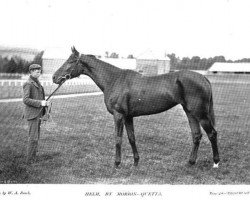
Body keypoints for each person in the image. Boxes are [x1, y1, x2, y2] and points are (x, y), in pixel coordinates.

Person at [22, 64, 50, 164]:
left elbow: (40, 98)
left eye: (39, 70)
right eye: (36, 71)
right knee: (33, 137)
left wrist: (45, 104)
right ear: (31, 72)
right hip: (32, 114)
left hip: (38, 113)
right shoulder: (28, 83)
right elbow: (25, 100)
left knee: (35, 137)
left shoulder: (37, 83)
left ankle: (33, 157)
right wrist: (40, 103)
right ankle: (30, 160)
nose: (39, 72)